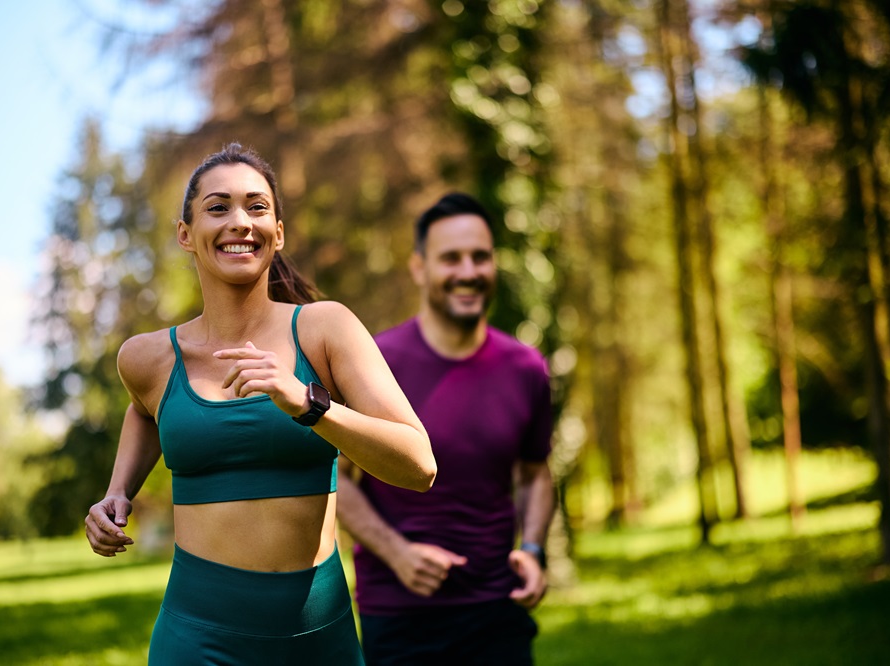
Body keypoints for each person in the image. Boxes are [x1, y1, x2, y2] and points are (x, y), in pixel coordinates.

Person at [83, 143, 436, 665]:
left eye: (257, 206)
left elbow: (419, 466)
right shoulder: (147, 358)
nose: (240, 222)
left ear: (278, 232)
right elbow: (145, 409)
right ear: (186, 234)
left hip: (319, 639)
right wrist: (117, 492)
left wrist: (308, 404)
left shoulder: (324, 329)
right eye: (218, 207)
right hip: (197, 639)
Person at [337, 192, 556, 665]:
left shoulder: (525, 367)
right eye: (451, 258)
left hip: (499, 614)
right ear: (419, 268)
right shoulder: (376, 363)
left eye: (480, 256)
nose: (468, 271)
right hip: (399, 620)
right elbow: (338, 480)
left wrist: (534, 548)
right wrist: (396, 552)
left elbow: (536, 472)